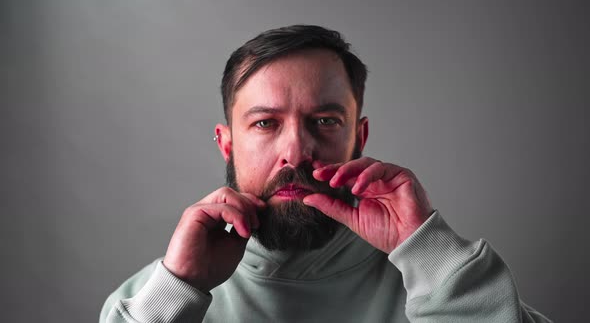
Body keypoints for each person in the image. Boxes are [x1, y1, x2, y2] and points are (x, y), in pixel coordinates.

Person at [100, 25, 552, 322]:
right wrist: (177, 289)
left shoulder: (450, 289)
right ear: (227, 142)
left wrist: (429, 252)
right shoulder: (148, 302)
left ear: (360, 137)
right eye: (265, 123)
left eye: (325, 121)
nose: (296, 151)